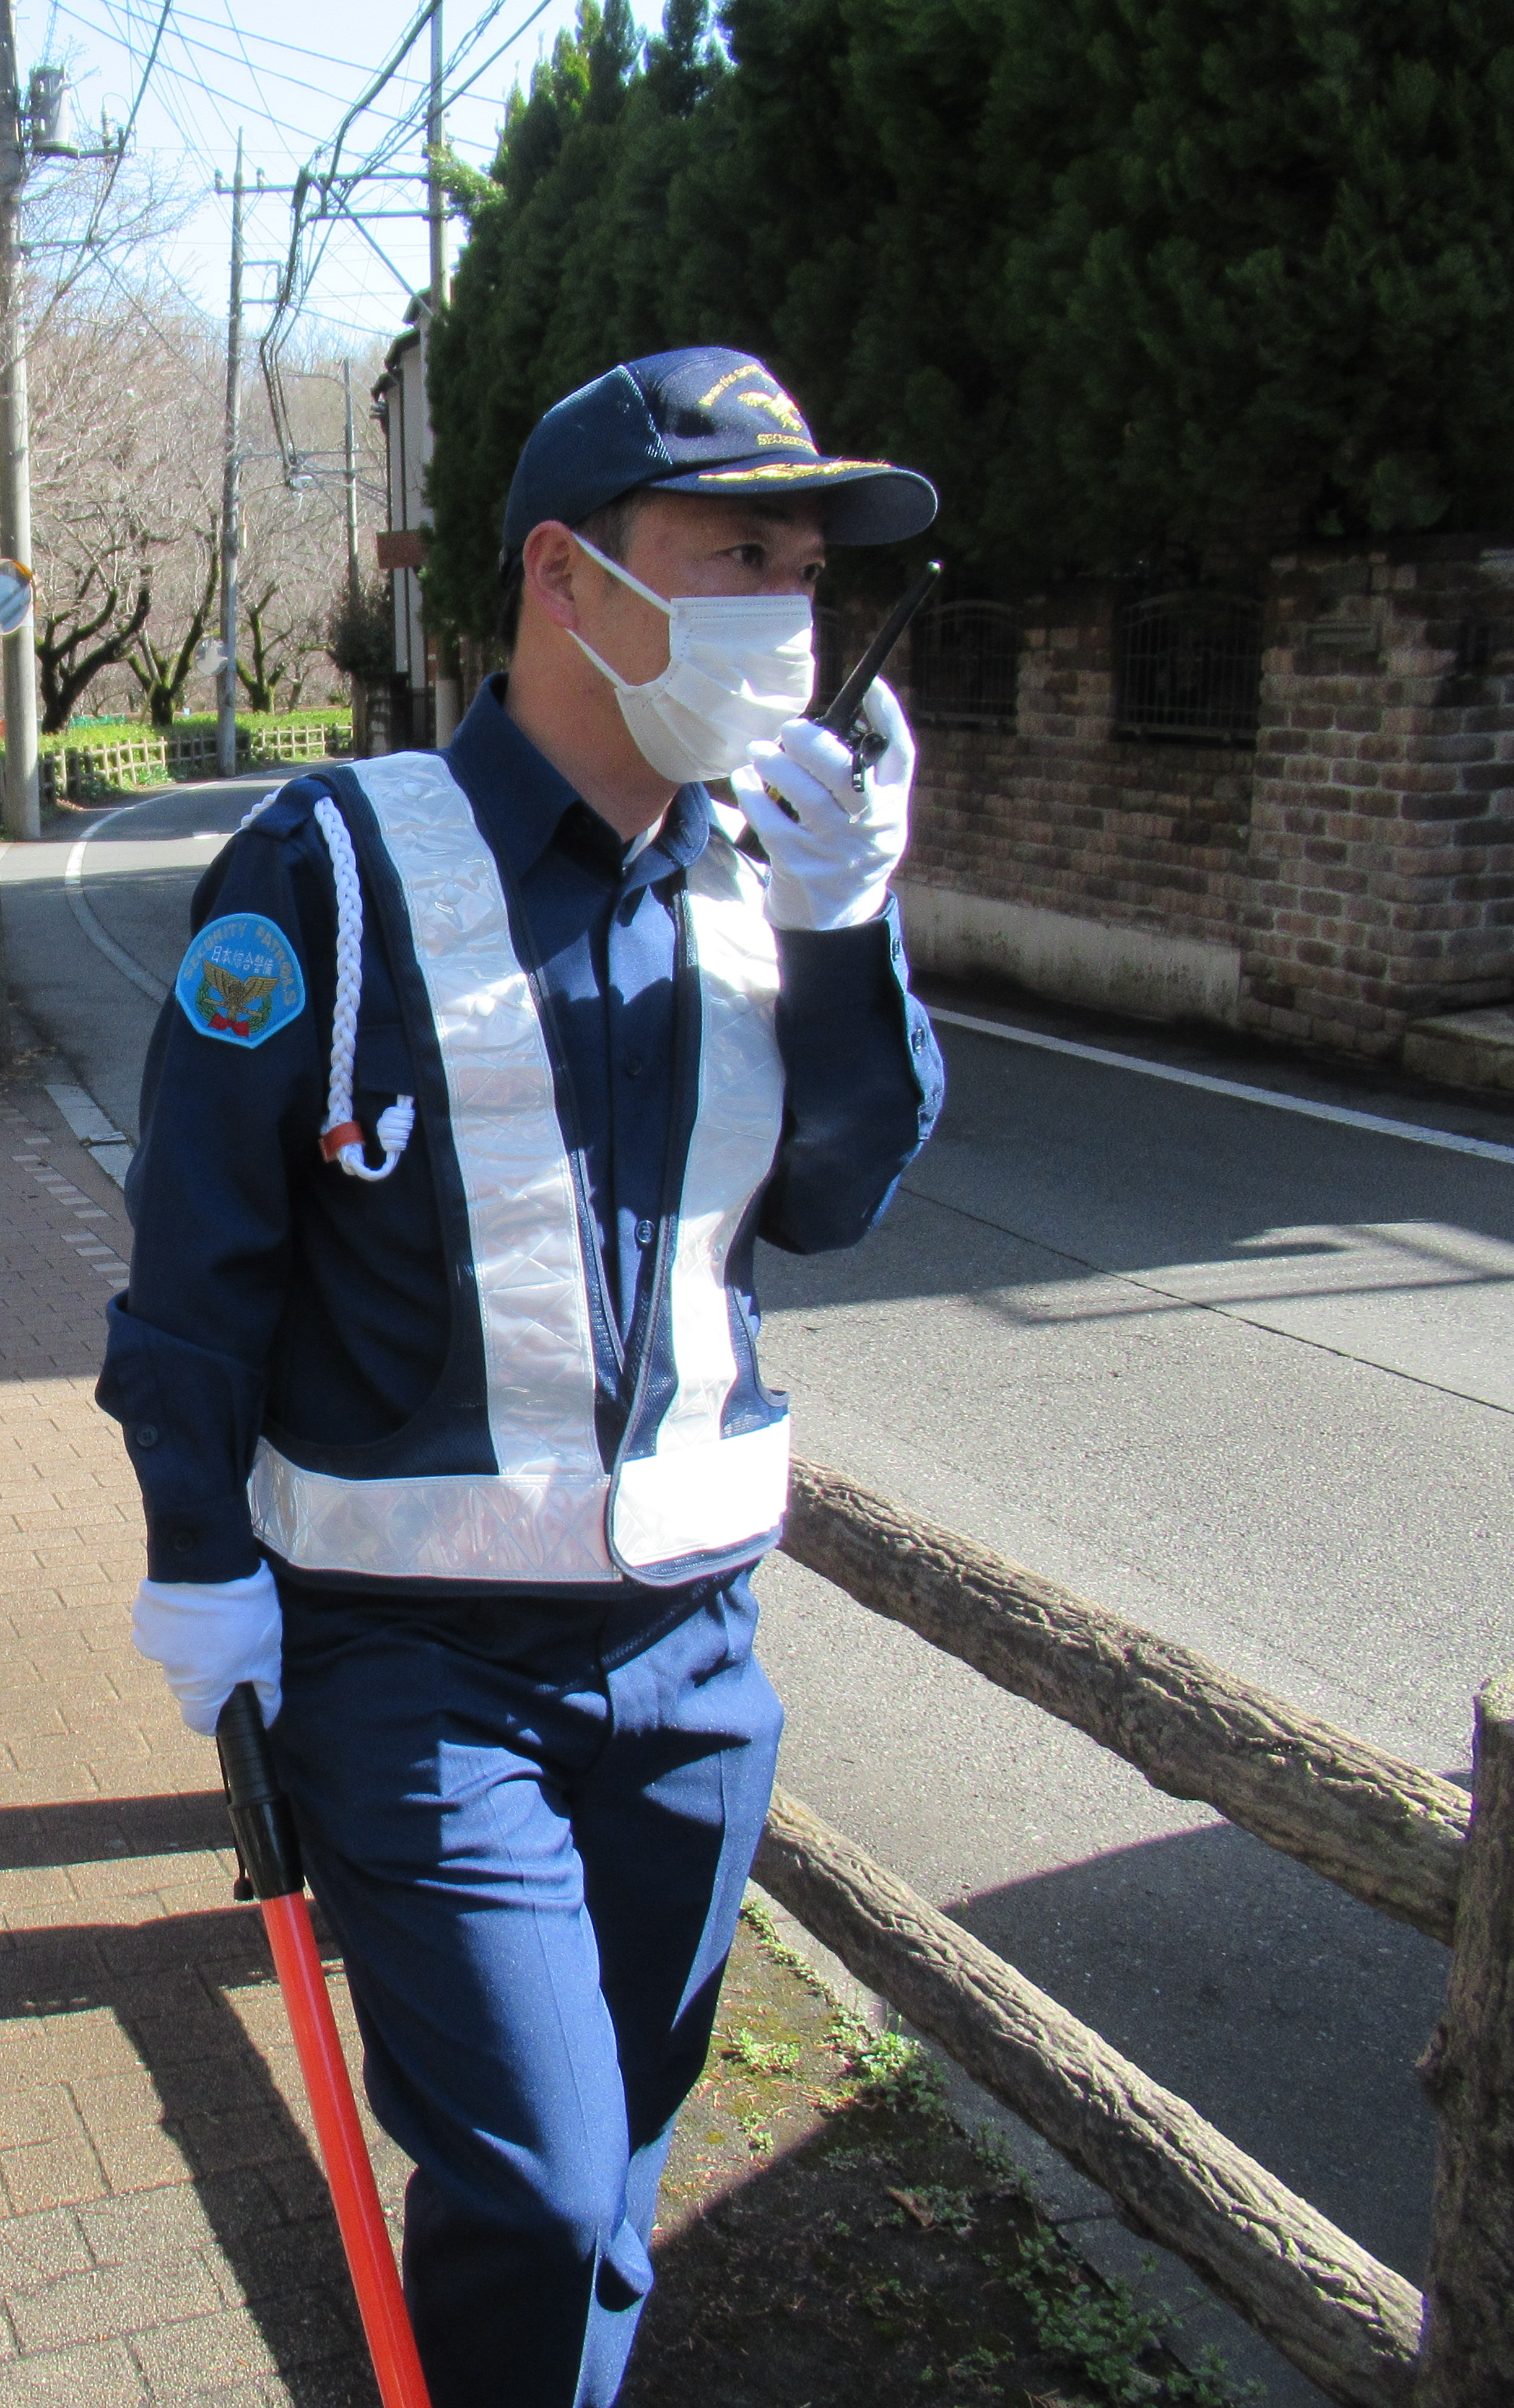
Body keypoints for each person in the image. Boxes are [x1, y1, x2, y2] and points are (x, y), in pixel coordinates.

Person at [97, 346, 946, 2404]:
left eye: (808, 572)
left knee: (607, 2181)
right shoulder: (334, 869)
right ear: (568, 579)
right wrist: (201, 1557)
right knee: (550, 2189)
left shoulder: (769, 868)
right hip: (414, 1668)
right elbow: (201, 1261)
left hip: (695, 1662)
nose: (788, 614)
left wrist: (852, 936)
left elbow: (837, 1203)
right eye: (734, 553)